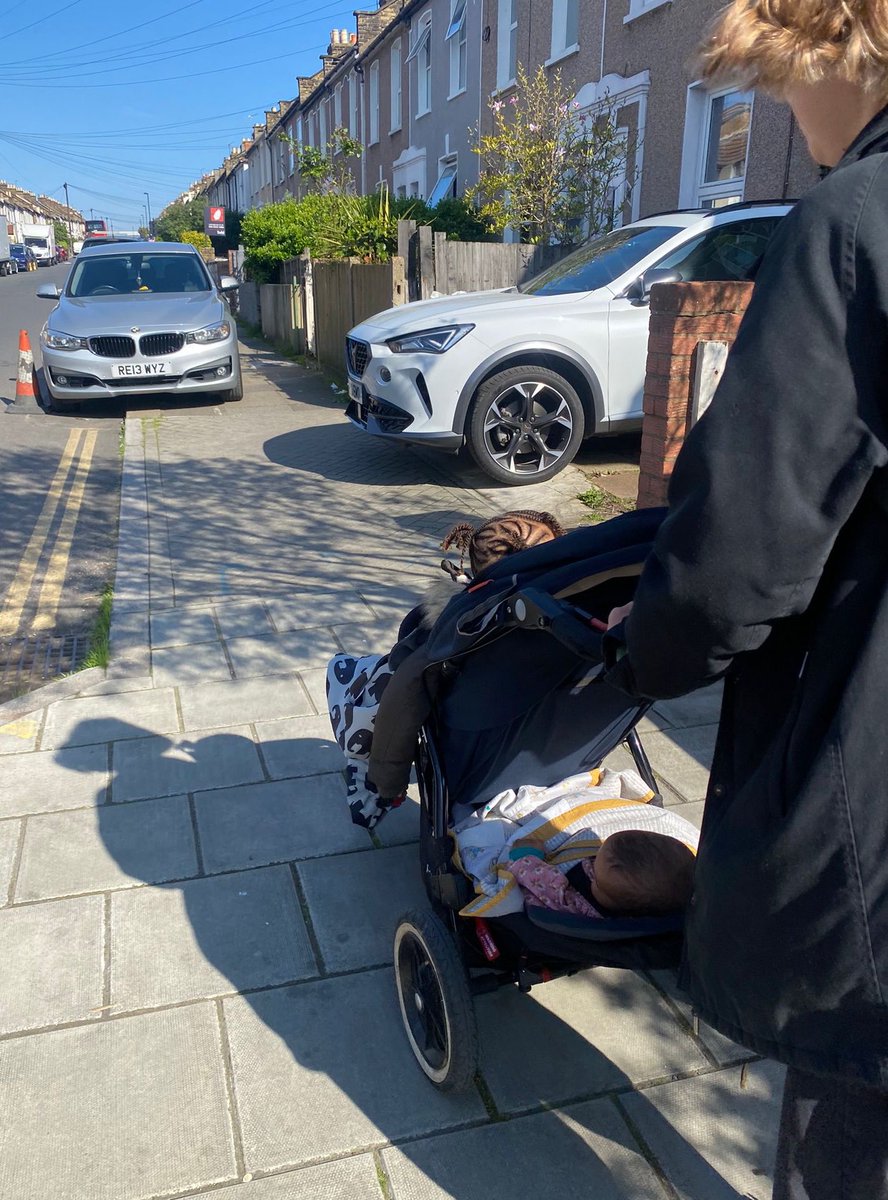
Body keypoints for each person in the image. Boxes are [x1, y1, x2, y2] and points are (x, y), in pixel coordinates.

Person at [606, 3, 888, 1196]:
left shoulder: (855, 226)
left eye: (775, 80)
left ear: (837, 43)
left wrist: (644, 649)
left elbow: (739, 559)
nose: (782, 111)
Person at [508, 829, 696, 921]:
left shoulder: (581, 907)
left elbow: (535, 877)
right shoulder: (653, 901)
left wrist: (526, 855)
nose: (592, 865)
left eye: (596, 879)